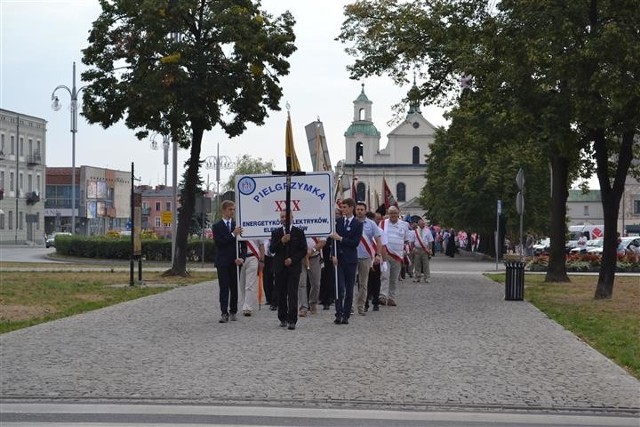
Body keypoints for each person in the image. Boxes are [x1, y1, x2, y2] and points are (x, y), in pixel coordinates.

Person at [270, 210, 307, 330]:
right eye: (282, 217)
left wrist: (293, 259)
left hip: (293, 267)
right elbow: (272, 249)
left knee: (292, 293)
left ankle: (292, 320)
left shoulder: (299, 232)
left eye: (286, 216)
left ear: (292, 217)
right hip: (280, 267)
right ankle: (282, 318)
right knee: (281, 293)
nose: (284, 219)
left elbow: (303, 250)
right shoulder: (276, 232)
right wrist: (281, 241)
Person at [330, 198, 363, 325]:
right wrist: (333, 254)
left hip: (350, 259)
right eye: (342, 207)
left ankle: (346, 314)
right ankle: (338, 313)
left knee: (349, 288)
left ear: (351, 208)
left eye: (344, 207)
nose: (342, 209)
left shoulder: (357, 224)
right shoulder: (338, 222)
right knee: (338, 287)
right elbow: (333, 241)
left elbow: (355, 242)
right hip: (338, 258)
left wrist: (341, 239)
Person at [212, 200, 242, 323]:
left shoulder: (237, 225)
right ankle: (224, 312)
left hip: (235, 262)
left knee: (234, 287)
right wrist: (232, 235)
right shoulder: (217, 226)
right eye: (230, 209)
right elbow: (220, 242)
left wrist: (242, 257)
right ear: (224, 210)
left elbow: (243, 244)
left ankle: (233, 311)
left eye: (234, 209)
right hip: (223, 262)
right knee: (224, 288)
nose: (232, 212)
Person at [354, 202, 384, 316]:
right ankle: (350, 306)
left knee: (363, 283)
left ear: (365, 211)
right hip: (352, 256)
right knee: (351, 283)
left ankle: (361, 307)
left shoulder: (371, 224)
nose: (360, 211)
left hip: (366, 257)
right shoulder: (352, 222)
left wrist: (378, 254)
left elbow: (378, 240)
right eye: (358, 209)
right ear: (355, 210)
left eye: (362, 209)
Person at [378, 206, 410, 306]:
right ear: (388, 213)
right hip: (385, 254)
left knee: (394, 278)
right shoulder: (383, 223)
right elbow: (378, 238)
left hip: (397, 255)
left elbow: (406, 239)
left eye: (395, 213)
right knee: (385, 276)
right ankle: (383, 296)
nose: (393, 215)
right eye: (391, 213)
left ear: (398, 213)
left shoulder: (404, 225)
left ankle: (392, 298)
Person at [298, 236, 326, 316]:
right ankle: (303, 307)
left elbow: (323, 242)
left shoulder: (318, 227)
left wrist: (311, 251)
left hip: (314, 257)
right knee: (301, 284)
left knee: (316, 283)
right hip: (300, 258)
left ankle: (313, 302)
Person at [238, 239, 263, 316]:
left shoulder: (256, 229)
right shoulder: (238, 229)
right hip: (240, 258)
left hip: (253, 256)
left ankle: (248, 307)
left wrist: (262, 260)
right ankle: (246, 302)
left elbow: (261, 246)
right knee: (242, 284)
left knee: (250, 284)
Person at [412, 218, 434, 283]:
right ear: (418, 224)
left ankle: (427, 277)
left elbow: (430, 241)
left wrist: (430, 249)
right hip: (417, 249)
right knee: (417, 264)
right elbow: (412, 241)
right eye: (421, 223)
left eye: (423, 223)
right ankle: (417, 277)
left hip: (425, 250)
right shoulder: (415, 231)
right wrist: (413, 248)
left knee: (426, 264)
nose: (423, 224)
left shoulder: (428, 231)